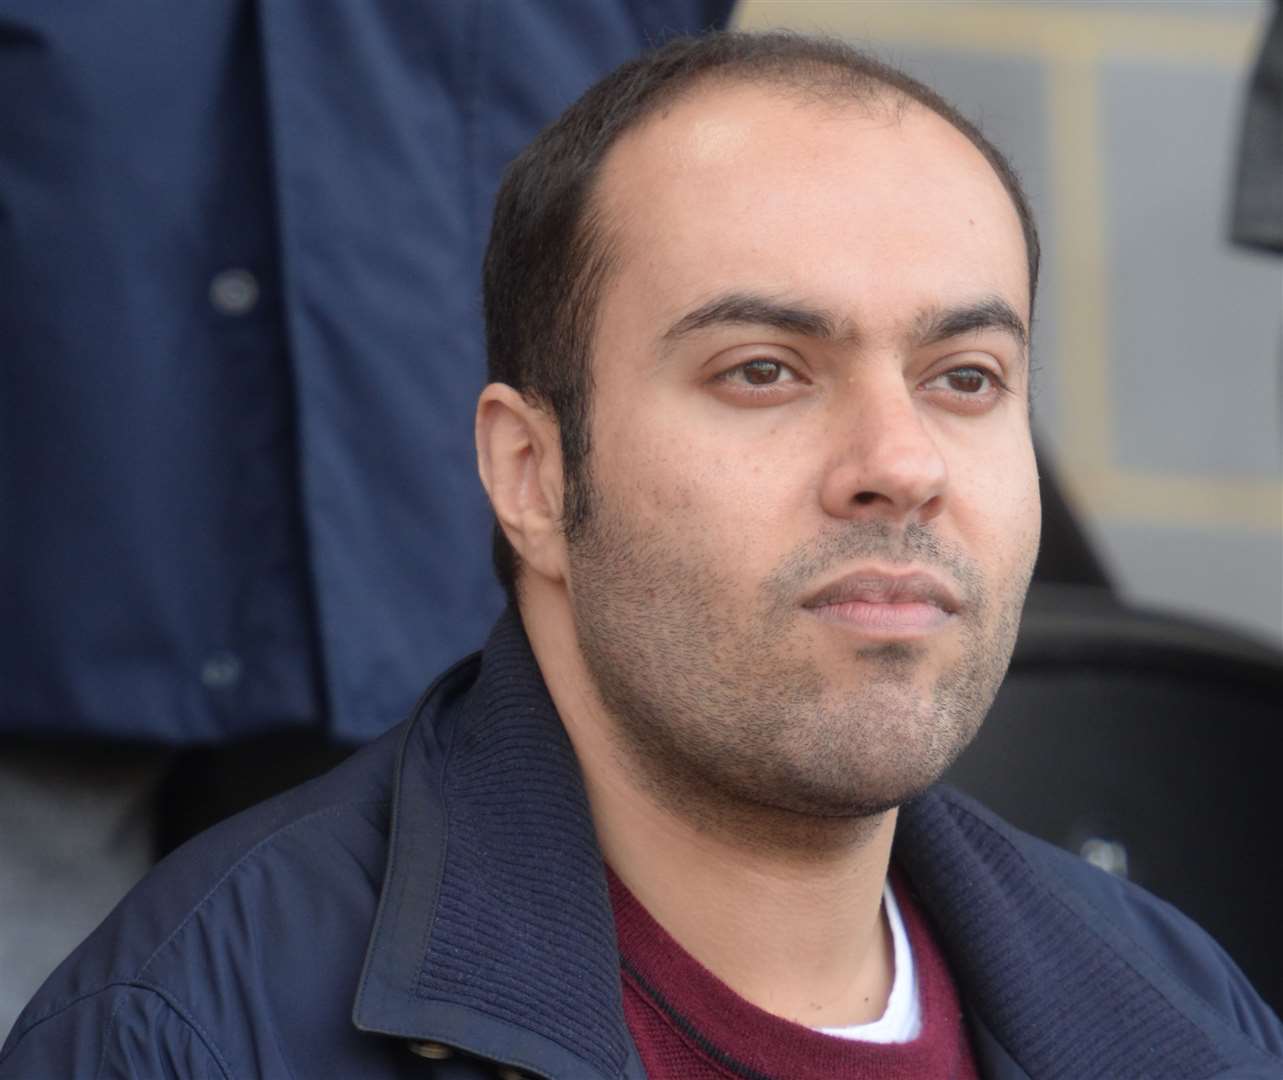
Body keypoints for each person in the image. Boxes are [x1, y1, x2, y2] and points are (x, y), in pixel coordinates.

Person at [3, 29, 1281, 1079]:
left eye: (963, 377)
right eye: (764, 371)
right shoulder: (189, 1037)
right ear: (531, 476)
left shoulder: (1184, 1021)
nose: (901, 462)